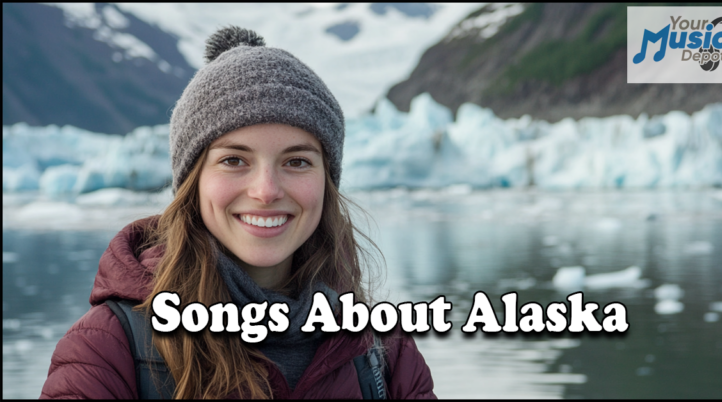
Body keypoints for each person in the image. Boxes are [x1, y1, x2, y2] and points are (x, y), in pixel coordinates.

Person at [40, 26, 435, 399]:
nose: (266, 191)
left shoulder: (382, 351)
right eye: (233, 160)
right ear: (192, 182)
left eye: (296, 162)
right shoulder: (109, 349)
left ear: (327, 182)